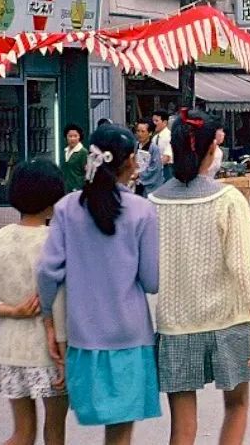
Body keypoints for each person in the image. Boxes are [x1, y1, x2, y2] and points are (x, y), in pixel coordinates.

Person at [149, 108, 250, 445]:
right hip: (228, 321)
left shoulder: (153, 202)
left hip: (175, 325)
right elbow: (243, 266)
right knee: (237, 405)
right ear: (209, 151)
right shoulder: (228, 199)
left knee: (182, 429)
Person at [38, 124, 161, 442]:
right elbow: (151, 281)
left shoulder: (67, 207)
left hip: (83, 336)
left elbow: (48, 271)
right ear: (130, 161)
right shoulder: (142, 210)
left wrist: (49, 321)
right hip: (129, 335)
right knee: (120, 433)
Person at [0, 160, 68, 445]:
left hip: (10, 351)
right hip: (49, 353)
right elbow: (60, 303)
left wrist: (13, 310)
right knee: (54, 431)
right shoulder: (55, 240)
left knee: (22, 433)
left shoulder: (0, 239)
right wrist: (64, 352)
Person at [133, 118, 164, 196]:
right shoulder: (135, 145)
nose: (139, 134)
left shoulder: (154, 149)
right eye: (138, 131)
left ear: (150, 133)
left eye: (143, 131)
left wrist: (140, 174)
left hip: (150, 186)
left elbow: (155, 168)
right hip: (137, 183)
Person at [62, 124, 88, 193]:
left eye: (75, 136)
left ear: (79, 137)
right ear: (66, 137)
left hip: (78, 189)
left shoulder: (83, 152)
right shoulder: (65, 151)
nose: (72, 139)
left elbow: (86, 173)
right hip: (66, 189)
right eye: (70, 136)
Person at [152, 110, 174, 182]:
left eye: (156, 121)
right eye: (153, 121)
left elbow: (166, 157)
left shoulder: (170, 136)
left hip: (167, 170)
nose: (154, 123)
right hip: (156, 170)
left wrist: (154, 168)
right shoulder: (154, 138)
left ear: (165, 122)